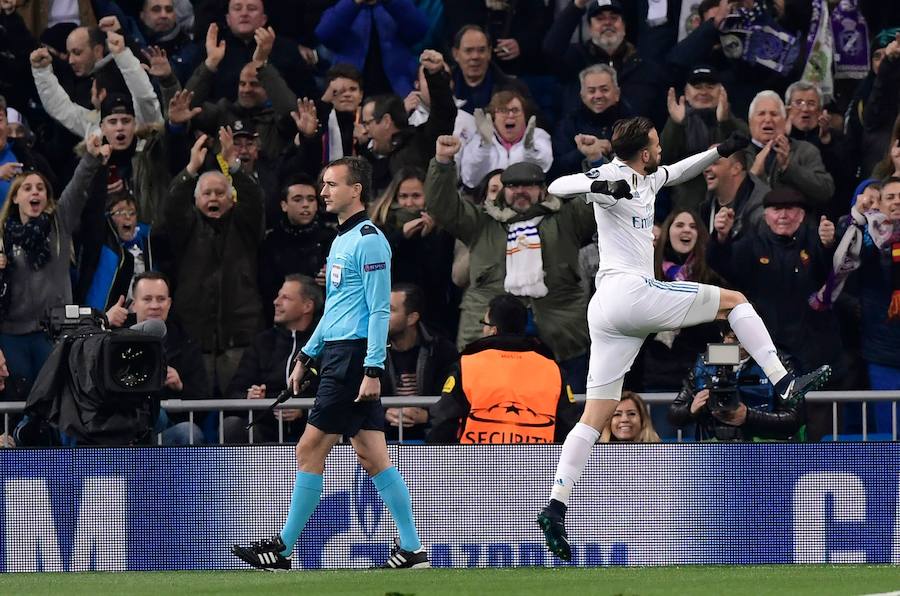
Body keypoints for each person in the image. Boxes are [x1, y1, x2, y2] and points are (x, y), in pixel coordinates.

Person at [536, 116, 831, 562]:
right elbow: (558, 186)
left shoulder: (649, 176)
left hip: (608, 311)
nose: (661, 150)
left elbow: (684, 169)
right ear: (643, 149)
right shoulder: (614, 174)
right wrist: (603, 189)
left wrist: (721, 150)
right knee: (734, 301)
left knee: (594, 415)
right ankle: (783, 382)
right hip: (629, 293)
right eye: (656, 143)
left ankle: (556, 505)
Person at [231, 156, 428, 570]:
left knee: (310, 447)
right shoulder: (341, 240)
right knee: (373, 456)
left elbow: (377, 310)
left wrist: (373, 369)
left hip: (355, 357)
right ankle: (412, 550)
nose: (323, 193)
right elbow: (335, 310)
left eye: (331, 185)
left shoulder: (370, 240)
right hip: (339, 353)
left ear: (356, 190)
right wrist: (307, 354)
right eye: (323, 185)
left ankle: (282, 548)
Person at [426, 140, 595, 394]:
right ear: (504, 190)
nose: (520, 191)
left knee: (564, 415)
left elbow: (598, 203)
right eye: (513, 185)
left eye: (528, 185)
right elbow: (442, 205)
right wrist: (442, 162)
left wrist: (595, 162)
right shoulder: (481, 221)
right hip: (486, 334)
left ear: (543, 189)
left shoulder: (566, 219)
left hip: (560, 335)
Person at [0, 132, 106, 391]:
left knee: (56, 405)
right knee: (17, 409)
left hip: (54, 334)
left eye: (41, 188)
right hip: (12, 335)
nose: (35, 192)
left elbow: (77, 187)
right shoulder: (2, 235)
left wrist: (90, 157)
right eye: (27, 188)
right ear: (15, 198)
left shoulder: (59, 224)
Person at [428, 293, 580, 444]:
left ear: (493, 330)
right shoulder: (551, 369)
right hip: (536, 464)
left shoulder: (467, 366)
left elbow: (444, 423)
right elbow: (568, 425)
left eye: (484, 323)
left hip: (477, 463)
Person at [222, 274, 323, 444]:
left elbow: (335, 391)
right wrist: (250, 397)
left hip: (313, 429)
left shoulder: (325, 343)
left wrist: (304, 410)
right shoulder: (262, 342)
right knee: (232, 426)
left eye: (286, 298)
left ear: (307, 306)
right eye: (278, 296)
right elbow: (233, 392)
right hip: (266, 431)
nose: (276, 302)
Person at [668, 324, 804, 442]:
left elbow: (795, 418)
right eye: (734, 337)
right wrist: (691, 409)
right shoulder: (705, 364)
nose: (740, 344)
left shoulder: (778, 362)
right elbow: (674, 415)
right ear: (723, 335)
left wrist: (748, 416)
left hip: (765, 450)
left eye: (745, 337)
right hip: (714, 451)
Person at [130, 271, 209, 445]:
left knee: (188, 432)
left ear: (169, 303)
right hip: (126, 434)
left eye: (161, 299)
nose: (155, 306)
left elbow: (203, 405)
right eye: (147, 299)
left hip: (167, 433)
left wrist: (180, 387)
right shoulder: (115, 341)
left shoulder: (186, 343)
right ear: (134, 304)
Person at [382, 282, 458, 442]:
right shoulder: (370, 350)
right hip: (383, 440)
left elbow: (453, 398)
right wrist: (383, 413)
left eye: (390, 310)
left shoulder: (441, 350)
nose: (381, 315)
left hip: (431, 441)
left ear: (412, 318)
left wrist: (427, 415)